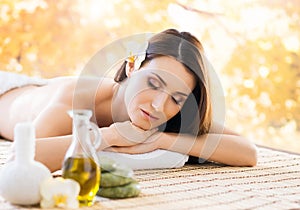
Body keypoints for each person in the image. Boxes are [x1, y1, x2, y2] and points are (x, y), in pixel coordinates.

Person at [0, 29, 257, 172]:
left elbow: (248, 152)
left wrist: (160, 139)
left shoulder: (168, 113)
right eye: (154, 83)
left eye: (176, 98)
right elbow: (23, 158)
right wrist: (111, 136)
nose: (158, 105)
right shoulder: (76, 98)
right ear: (132, 66)